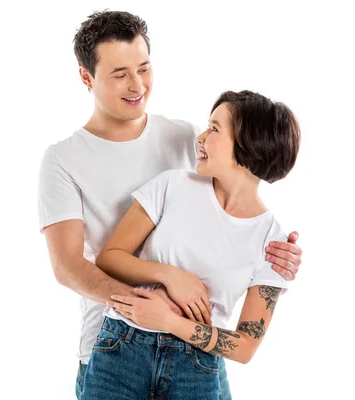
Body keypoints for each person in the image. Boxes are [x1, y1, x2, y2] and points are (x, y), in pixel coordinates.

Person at [37, 10, 303, 400]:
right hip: (112, 341)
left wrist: (278, 257)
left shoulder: (183, 138)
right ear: (86, 77)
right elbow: (68, 266)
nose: (137, 84)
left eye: (144, 68)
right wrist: (159, 288)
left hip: (197, 353)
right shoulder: (62, 160)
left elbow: (236, 201)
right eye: (119, 73)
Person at [80, 90, 300, 399]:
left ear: (248, 144)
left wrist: (168, 321)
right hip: (122, 348)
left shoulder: (273, 242)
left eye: (214, 129)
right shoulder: (173, 185)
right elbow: (109, 258)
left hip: (194, 369)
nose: (200, 137)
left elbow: (245, 346)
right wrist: (169, 274)